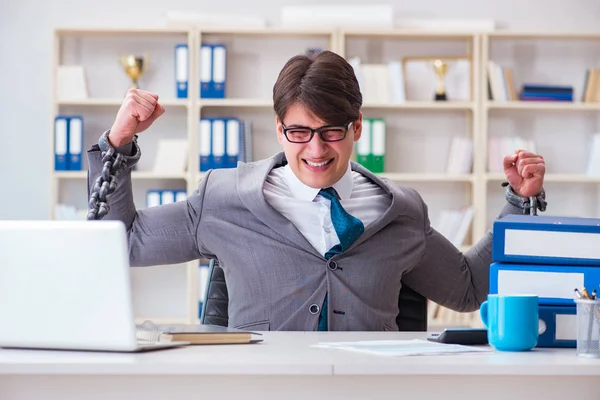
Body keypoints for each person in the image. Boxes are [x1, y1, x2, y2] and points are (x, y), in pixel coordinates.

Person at [87, 50, 546, 331]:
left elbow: (467, 289)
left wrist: (517, 201)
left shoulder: (402, 210)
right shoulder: (223, 197)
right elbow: (121, 240)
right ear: (279, 128)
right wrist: (118, 143)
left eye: (330, 131)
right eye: (298, 132)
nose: (315, 149)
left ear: (357, 128)